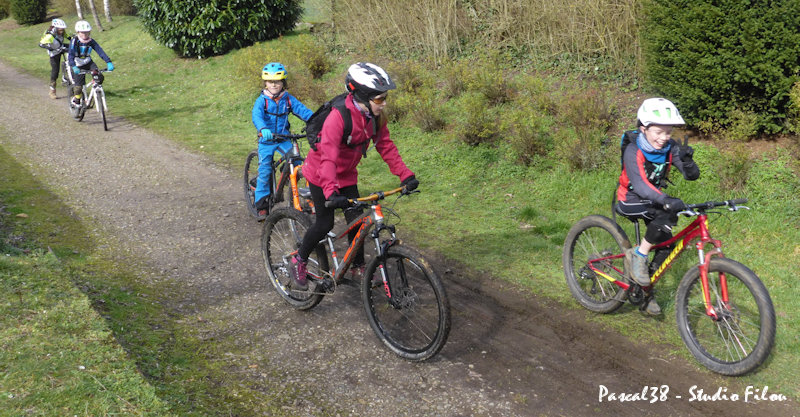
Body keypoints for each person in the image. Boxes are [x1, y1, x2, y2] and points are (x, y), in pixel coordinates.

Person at [288, 62, 419, 290]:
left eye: (385, 97)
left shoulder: (375, 117)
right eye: (379, 99)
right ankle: (298, 260)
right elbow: (328, 157)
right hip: (321, 175)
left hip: (347, 175)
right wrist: (330, 191)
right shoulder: (338, 118)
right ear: (362, 96)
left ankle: (358, 268)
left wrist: (405, 176)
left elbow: (385, 146)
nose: (384, 103)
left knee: (357, 223)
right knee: (324, 222)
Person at [616, 98, 700, 315]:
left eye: (668, 132)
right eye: (658, 132)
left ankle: (643, 292)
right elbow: (642, 186)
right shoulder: (633, 150)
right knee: (666, 216)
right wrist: (665, 200)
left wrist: (688, 162)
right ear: (644, 128)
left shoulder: (670, 147)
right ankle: (639, 256)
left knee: (667, 245)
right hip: (631, 200)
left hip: (653, 199)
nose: (664, 138)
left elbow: (691, 176)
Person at [250, 62, 314, 218]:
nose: (273, 84)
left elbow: (303, 111)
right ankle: (262, 204)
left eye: (277, 81)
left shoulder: (288, 99)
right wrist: (263, 129)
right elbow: (256, 116)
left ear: (283, 82)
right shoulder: (262, 101)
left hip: (284, 139)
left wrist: (316, 121)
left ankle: (308, 196)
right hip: (266, 141)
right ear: (265, 82)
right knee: (265, 171)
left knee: (300, 164)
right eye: (270, 81)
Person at [67, 20, 114, 107]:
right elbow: (71, 55)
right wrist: (73, 66)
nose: (85, 35)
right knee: (78, 87)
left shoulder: (91, 41)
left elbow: (100, 51)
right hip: (77, 64)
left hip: (88, 62)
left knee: (99, 77)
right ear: (78, 32)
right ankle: (76, 99)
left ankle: (95, 90)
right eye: (82, 33)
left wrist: (108, 62)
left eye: (87, 32)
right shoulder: (74, 41)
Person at [38, 18, 70, 99]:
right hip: (54, 52)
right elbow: (41, 44)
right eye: (60, 30)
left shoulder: (62, 32)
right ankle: (52, 90)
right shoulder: (49, 36)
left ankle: (69, 78)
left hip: (61, 47)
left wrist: (73, 39)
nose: (62, 31)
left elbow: (67, 36)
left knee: (73, 51)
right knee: (55, 71)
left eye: (63, 29)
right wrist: (50, 48)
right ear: (55, 28)